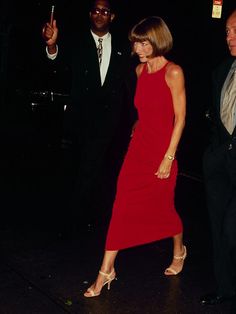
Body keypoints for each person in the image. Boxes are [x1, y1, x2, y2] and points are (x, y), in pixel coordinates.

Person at [83, 15, 187, 298]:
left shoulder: (173, 72)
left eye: (143, 43)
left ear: (157, 40)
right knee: (121, 204)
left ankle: (179, 250)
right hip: (138, 150)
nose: (138, 49)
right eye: (136, 43)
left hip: (162, 152)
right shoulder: (141, 71)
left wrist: (168, 157)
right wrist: (138, 124)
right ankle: (106, 271)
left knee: (164, 208)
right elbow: (146, 110)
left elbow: (180, 118)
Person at [42, 0, 136, 230]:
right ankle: (67, 221)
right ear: (90, 14)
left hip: (108, 124)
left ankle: (84, 220)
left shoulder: (124, 46)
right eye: (96, 10)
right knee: (72, 171)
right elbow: (57, 64)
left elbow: (130, 83)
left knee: (95, 172)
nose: (100, 14)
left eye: (105, 11)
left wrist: (136, 117)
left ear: (112, 16)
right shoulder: (77, 41)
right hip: (78, 121)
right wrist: (52, 45)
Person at [201, 8, 236, 306]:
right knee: (217, 228)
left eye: (235, 30)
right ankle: (225, 289)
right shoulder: (222, 70)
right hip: (218, 163)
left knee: (231, 229)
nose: (229, 37)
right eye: (226, 31)